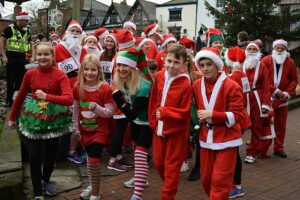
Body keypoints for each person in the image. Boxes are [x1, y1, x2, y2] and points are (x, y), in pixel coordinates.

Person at [8, 42, 73, 200]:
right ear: (35, 56)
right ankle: (38, 193)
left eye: (46, 54)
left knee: (50, 156)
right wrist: (11, 117)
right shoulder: (30, 74)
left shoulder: (60, 75)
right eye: (40, 54)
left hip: (54, 119)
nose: (43, 57)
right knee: (35, 156)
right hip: (33, 118)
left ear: (52, 57)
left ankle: (45, 181)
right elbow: (21, 95)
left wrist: (47, 97)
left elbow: (69, 99)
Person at [193, 47, 244, 200]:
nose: (205, 68)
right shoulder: (196, 85)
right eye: (201, 65)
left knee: (220, 182)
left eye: (209, 64)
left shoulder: (231, 85)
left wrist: (213, 114)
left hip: (227, 138)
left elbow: (238, 115)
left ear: (217, 65)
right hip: (206, 138)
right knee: (206, 180)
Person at [148, 44, 192, 200]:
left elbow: (185, 113)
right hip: (158, 131)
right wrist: (152, 119)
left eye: (175, 62)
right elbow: (153, 99)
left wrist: (166, 112)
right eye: (169, 61)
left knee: (172, 169)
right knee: (159, 163)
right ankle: (170, 186)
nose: (171, 65)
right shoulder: (159, 76)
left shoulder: (186, 83)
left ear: (183, 65)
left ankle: (168, 195)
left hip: (176, 134)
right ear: (164, 59)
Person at [111, 48, 152, 200]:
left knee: (141, 155)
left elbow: (132, 112)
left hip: (147, 124)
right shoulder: (123, 81)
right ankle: (142, 179)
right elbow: (132, 116)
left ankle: (137, 195)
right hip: (135, 123)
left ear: (133, 67)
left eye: (125, 66)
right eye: (119, 65)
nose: (121, 69)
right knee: (137, 154)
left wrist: (119, 102)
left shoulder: (144, 86)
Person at [72, 54, 115, 200]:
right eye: (86, 69)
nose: (89, 73)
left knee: (95, 159)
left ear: (99, 71)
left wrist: (96, 108)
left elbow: (110, 112)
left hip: (100, 131)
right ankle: (92, 185)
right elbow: (76, 110)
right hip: (84, 131)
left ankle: (96, 194)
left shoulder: (104, 88)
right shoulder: (78, 87)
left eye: (93, 70)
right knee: (90, 159)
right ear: (82, 70)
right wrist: (76, 129)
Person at [55, 20, 87, 164]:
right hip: (63, 91)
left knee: (77, 121)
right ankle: (59, 152)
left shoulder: (84, 50)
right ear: (67, 33)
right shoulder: (58, 49)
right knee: (62, 121)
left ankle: (73, 150)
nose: (75, 34)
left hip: (81, 90)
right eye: (72, 31)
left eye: (77, 32)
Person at [260, 39, 298, 158]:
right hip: (267, 98)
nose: (280, 50)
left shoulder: (290, 62)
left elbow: (294, 80)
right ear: (274, 49)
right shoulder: (265, 60)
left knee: (281, 125)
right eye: (278, 48)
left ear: (286, 49)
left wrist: (287, 92)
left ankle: (278, 147)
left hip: (283, 99)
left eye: (282, 48)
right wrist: (274, 90)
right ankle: (262, 149)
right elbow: (262, 78)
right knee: (264, 124)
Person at [226, 46, 251, 198]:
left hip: (234, 119)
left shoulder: (232, 77)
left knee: (233, 153)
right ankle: (236, 185)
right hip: (241, 117)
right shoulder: (242, 74)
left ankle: (237, 186)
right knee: (233, 152)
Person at [243, 41, 271, 163]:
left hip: (257, 98)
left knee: (256, 126)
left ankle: (252, 152)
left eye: (254, 50)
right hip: (242, 97)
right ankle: (230, 149)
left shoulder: (262, 66)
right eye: (249, 49)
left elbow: (266, 86)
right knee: (238, 125)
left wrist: (265, 104)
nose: (251, 52)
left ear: (258, 51)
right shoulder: (240, 65)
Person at [0, 11, 34, 107]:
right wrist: (4, 56)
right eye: (26, 21)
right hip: (10, 57)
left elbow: (31, 43)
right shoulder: (9, 28)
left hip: (22, 57)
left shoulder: (26, 30)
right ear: (20, 20)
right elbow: (2, 40)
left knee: (20, 81)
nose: (27, 23)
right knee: (10, 80)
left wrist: (33, 56)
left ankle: (16, 99)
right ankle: (8, 100)